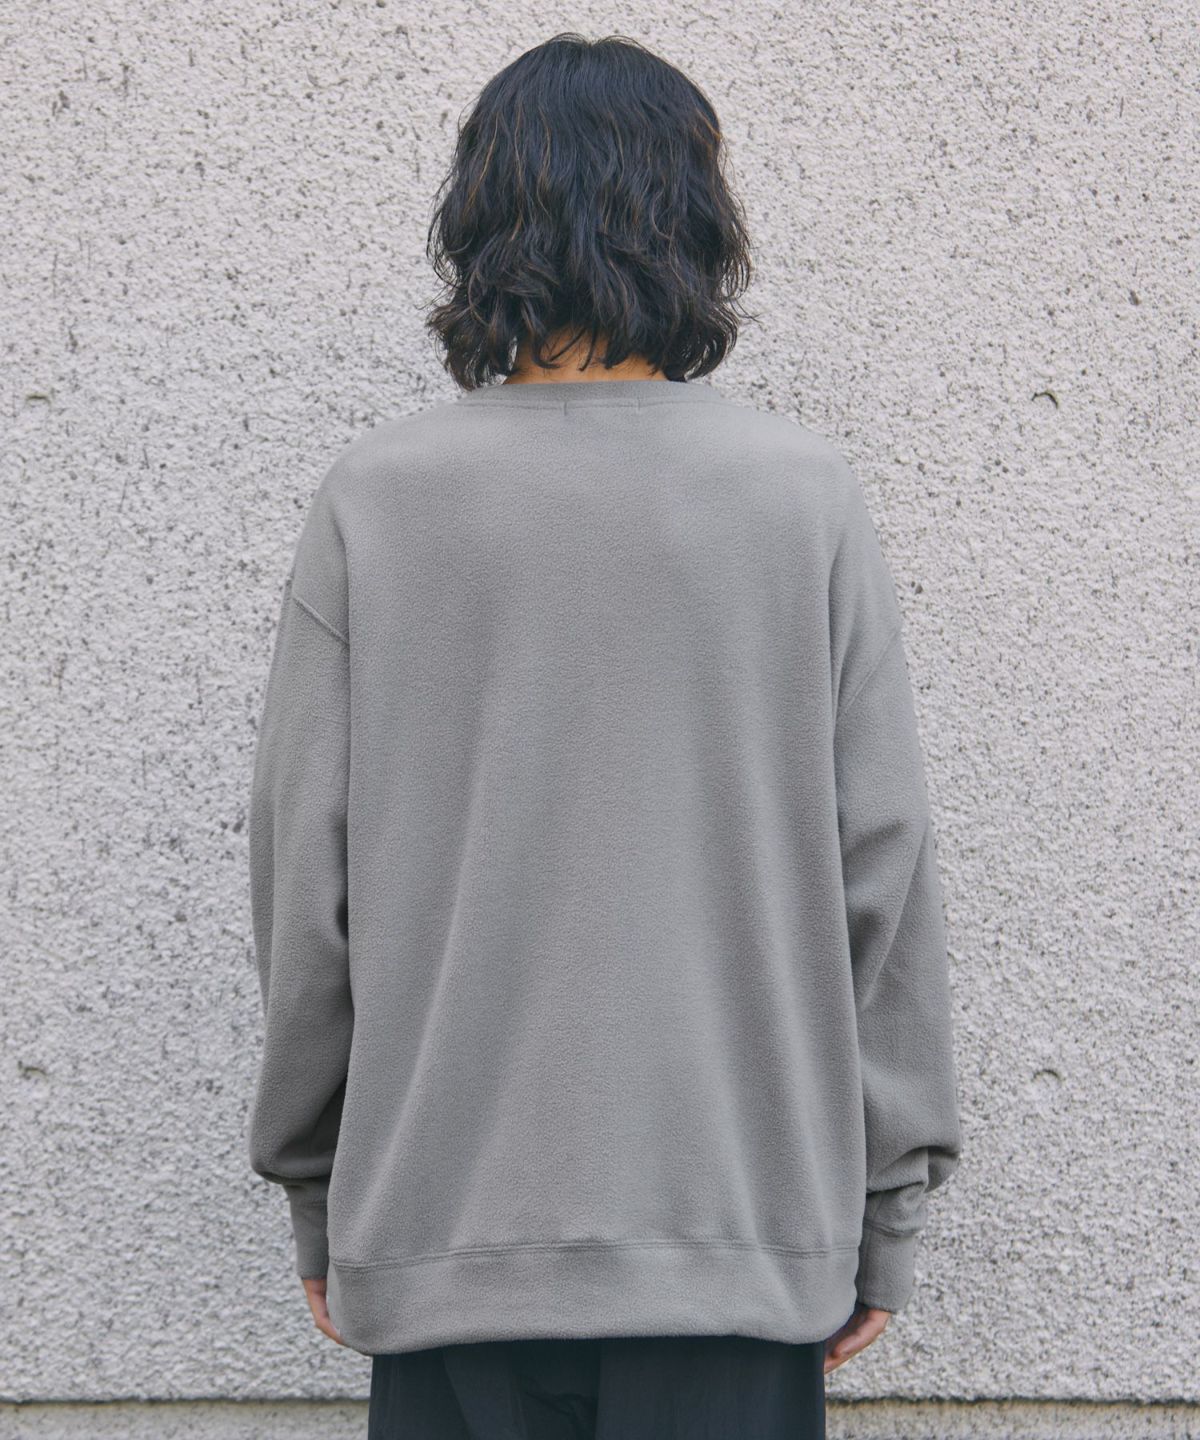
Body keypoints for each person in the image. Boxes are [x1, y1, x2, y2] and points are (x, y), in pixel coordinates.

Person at [245, 31, 963, 1440]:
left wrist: (322, 1192)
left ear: (480, 224)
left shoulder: (379, 499)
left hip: (445, 1239)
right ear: (696, 227)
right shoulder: (798, 499)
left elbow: (302, 887)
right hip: (734, 1246)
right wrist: (884, 1209)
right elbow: (882, 865)